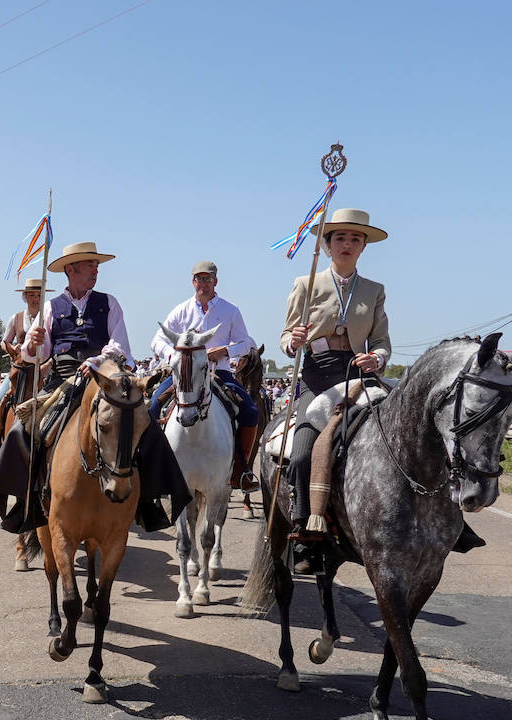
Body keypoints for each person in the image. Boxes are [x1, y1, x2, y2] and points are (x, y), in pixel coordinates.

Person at [0, 241, 188, 533]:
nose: (96, 270)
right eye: (90, 265)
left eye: (96, 265)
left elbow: (121, 347)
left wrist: (97, 360)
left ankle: (148, 502)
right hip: (63, 381)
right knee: (22, 428)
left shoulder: (109, 303)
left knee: (144, 423)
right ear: (71, 270)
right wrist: (34, 343)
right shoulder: (51, 308)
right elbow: (33, 356)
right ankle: (27, 502)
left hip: (104, 379)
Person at [280, 208, 392, 574]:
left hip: (359, 374)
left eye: (355, 239)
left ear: (363, 248)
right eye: (340, 238)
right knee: (299, 453)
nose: (347, 244)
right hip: (318, 377)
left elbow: (382, 342)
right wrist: (293, 340)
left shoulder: (375, 290)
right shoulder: (305, 282)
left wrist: (377, 357)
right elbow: (285, 338)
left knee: (405, 436)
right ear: (327, 246)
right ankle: (303, 530)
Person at [149, 260, 261, 490]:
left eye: (207, 279)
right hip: (185, 374)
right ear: (193, 282)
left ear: (215, 281)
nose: (203, 284)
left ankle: (241, 470)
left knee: (250, 411)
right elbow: (157, 340)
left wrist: (224, 351)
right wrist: (174, 357)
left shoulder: (231, 310)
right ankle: (154, 467)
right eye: (199, 279)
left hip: (218, 372)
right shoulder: (181, 310)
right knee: (152, 407)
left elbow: (245, 342)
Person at [0, 278, 47, 425]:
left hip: (43, 369)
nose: (36, 299)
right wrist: (11, 348)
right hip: (19, 370)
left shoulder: (49, 316)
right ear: (25, 296)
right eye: (32, 295)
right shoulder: (15, 318)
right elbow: (4, 341)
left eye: (39, 295)